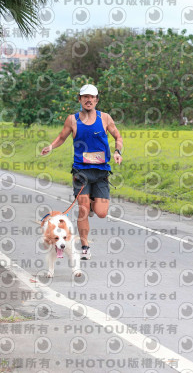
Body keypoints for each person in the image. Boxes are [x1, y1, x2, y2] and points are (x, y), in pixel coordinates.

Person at [40, 84, 123, 260]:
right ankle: (85, 246)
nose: (89, 100)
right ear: (79, 99)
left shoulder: (105, 118)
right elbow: (62, 137)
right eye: (85, 97)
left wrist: (117, 152)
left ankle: (94, 204)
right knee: (83, 210)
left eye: (92, 97)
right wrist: (51, 146)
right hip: (81, 172)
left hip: (101, 172)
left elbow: (118, 137)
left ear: (96, 100)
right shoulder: (72, 119)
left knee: (101, 213)